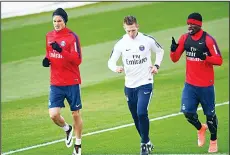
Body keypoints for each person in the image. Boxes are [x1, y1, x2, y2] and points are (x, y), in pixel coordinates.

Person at [108, 15, 164, 155]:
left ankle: (144, 144)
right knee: (135, 117)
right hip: (129, 86)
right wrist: (116, 68)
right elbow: (111, 62)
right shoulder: (121, 43)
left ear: (137, 26)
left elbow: (160, 51)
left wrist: (156, 65)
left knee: (141, 112)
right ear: (124, 28)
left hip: (145, 83)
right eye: (128, 31)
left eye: (133, 30)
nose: (131, 33)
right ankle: (147, 141)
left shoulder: (147, 39)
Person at [170, 12, 223, 153]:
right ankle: (201, 128)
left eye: (192, 24)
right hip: (190, 85)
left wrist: (205, 57)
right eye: (188, 24)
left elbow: (219, 60)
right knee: (187, 112)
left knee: (210, 116)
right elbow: (175, 59)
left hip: (206, 86)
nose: (189, 26)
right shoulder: (184, 38)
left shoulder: (208, 40)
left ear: (199, 24)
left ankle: (213, 140)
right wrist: (173, 50)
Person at [42, 8, 83, 155]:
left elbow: (78, 60)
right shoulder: (49, 36)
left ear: (64, 21)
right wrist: (47, 59)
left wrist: (61, 51)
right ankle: (67, 129)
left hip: (72, 81)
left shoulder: (72, 37)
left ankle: (78, 146)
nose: (56, 23)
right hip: (56, 83)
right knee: (53, 115)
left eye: (59, 20)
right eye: (54, 21)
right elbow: (49, 53)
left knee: (76, 114)